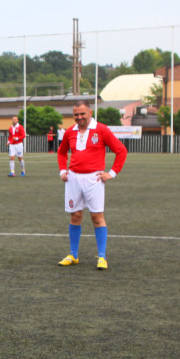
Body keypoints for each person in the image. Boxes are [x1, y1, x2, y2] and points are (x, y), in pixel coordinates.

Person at [56, 101, 127, 271]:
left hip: (94, 179)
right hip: (73, 179)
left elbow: (121, 150)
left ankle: (102, 256)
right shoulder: (69, 132)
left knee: (97, 217)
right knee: (75, 216)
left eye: (82, 114)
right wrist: (62, 170)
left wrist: (112, 172)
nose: (79, 118)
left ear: (90, 112)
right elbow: (61, 151)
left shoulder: (101, 129)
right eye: (76, 115)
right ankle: (73, 255)